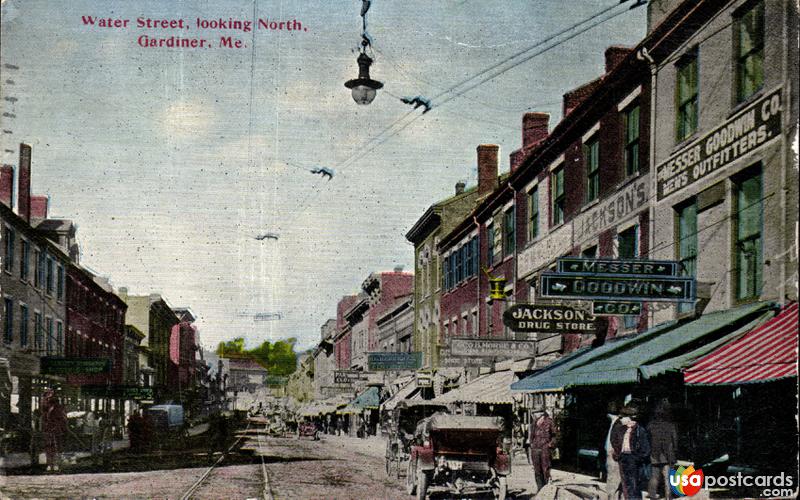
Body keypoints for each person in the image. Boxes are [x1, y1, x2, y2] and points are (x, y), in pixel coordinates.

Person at [611, 404, 651, 500]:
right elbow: (615, 441)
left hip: (634, 460)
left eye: (623, 417)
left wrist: (637, 458)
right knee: (626, 484)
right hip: (623, 458)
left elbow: (646, 449)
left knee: (634, 484)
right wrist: (618, 454)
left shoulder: (640, 430)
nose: (621, 419)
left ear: (630, 418)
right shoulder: (621, 429)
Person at [647, 399, 678, 499]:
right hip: (668, 455)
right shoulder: (671, 426)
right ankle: (669, 497)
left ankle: (652, 495)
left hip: (654, 454)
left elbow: (648, 439)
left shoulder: (650, 425)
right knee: (668, 478)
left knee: (654, 477)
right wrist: (675, 452)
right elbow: (675, 441)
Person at [529, 409, 558, 492]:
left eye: (536, 413)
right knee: (537, 470)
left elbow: (555, 435)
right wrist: (531, 444)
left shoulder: (549, 422)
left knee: (545, 469)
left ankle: (546, 490)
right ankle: (539, 489)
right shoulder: (534, 423)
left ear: (541, 413)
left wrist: (550, 445)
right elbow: (531, 436)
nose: (534, 415)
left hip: (545, 449)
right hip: (535, 449)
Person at [41, 390, 67, 472]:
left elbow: (62, 419)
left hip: (55, 429)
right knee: (49, 446)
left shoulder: (58, 408)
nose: (48, 399)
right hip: (49, 429)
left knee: (55, 447)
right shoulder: (45, 408)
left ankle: (55, 464)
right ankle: (50, 464)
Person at [605, 402, 622, 500]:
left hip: (613, 455)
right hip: (611, 454)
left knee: (613, 480)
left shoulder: (617, 424)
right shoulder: (615, 423)